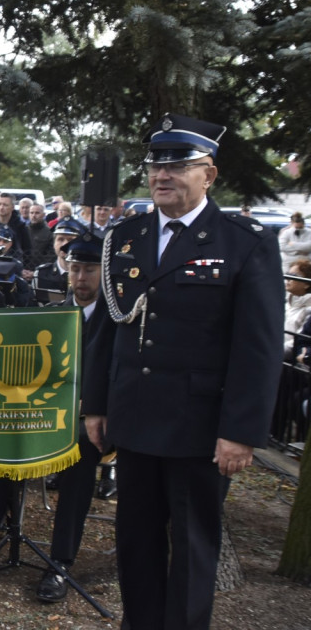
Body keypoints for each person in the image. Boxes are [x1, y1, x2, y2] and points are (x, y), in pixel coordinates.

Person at [83, 113, 284, 630]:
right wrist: (97, 405)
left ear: (209, 175)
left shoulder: (243, 241)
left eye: (178, 166)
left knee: (194, 547)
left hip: (199, 426)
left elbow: (257, 348)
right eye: (154, 166)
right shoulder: (126, 236)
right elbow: (112, 327)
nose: (162, 176)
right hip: (135, 417)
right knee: (136, 540)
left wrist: (240, 432)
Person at [36, 233, 105, 602]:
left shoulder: (117, 319)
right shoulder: (53, 314)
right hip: (48, 414)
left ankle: (59, 562)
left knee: (78, 454)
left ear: (103, 271)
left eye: (89, 269)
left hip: (91, 421)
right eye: (75, 268)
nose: (80, 277)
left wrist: (91, 405)